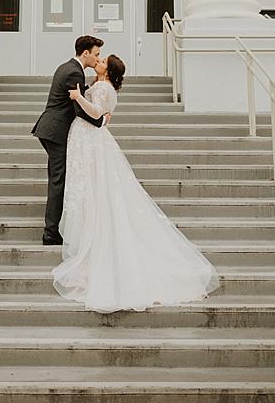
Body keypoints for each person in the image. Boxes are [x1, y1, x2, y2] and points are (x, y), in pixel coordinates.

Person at [53, 54, 220, 312]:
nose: (98, 62)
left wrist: (78, 98)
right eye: (99, 58)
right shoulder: (101, 86)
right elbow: (104, 115)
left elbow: (96, 113)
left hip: (92, 139)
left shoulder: (102, 87)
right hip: (93, 139)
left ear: (108, 71)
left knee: (97, 189)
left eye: (103, 62)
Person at [31, 35, 106, 246]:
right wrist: (100, 120)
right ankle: (50, 232)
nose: (97, 58)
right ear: (86, 53)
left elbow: (74, 96)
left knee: (58, 178)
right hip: (55, 131)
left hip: (50, 129)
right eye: (96, 54)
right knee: (58, 180)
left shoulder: (66, 67)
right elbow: (78, 109)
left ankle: (53, 229)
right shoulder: (74, 72)